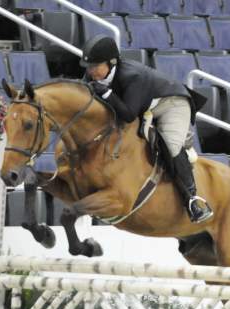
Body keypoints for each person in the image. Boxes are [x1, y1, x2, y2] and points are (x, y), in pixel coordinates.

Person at [80, 34, 213, 223]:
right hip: (144, 105)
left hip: (170, 104)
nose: (91, 71)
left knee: (170, 145)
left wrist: (108, 93)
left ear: (111, 63)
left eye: (95, 66)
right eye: (89, 67)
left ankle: (192, 200)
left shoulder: (132, 76)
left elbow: (128, 115)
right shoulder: (92, 74)